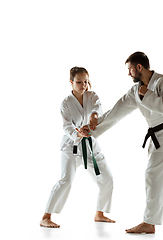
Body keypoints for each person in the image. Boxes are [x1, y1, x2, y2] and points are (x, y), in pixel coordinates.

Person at [81, 52, 163, 234]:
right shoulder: (135, 90)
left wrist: (147, 95)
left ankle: (149, 223)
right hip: (159, 137)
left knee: (153, 174)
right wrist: (92, 128)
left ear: (139, 67)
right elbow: (116, 113)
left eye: (130, 69)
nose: (128, 73)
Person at [40, 67, 115, 228]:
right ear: (71, 82)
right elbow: (67, 126)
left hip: (90, 146)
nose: (83, 85)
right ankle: (46, 216)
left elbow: (97, 108)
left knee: (107, 179)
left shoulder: (92, 95)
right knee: (66, 180)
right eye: (79, 82)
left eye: (86, 81)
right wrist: (78, 133)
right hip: (71, 147)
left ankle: (99, 213)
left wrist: (94, 116)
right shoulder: (66, 103)